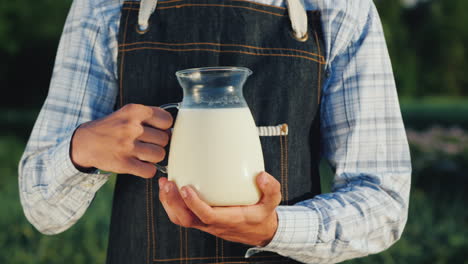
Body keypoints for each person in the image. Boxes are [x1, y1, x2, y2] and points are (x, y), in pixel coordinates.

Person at [18, 0, 411, 263]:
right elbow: (42, 211)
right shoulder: (104, 6)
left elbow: (384, 201)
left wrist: (276, 228)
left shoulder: (339, 8)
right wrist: (80, 150)